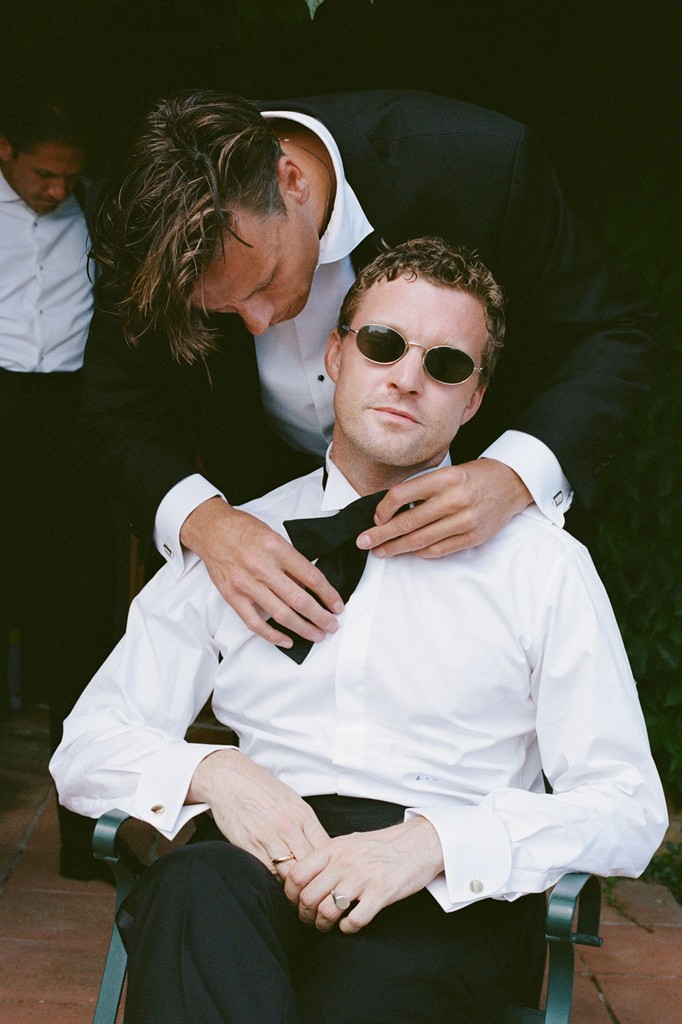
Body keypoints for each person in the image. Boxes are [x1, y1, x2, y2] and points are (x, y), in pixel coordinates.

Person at [52, 239, 666, 1024]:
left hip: (443, 891)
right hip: (256, 857)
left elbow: (625, 804)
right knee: (191, 892)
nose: (408, 377)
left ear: (474, 401)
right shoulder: (240, 542)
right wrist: (216, 776)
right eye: (383, 345)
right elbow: (88, 745)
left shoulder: (543, 565)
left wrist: (431, 844)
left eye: (446, 365)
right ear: (336, 357)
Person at [81, 88, 658, 654]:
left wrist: (512, 476)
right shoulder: (149, 224)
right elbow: (120, 408)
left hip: (479, 534)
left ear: (292, 182)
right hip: (268, 546)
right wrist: (207, 523)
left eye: (262, 283)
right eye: (221, 310)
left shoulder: (477, 163)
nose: (256, 324)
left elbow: (612, 332)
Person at [0, 87, 118, 879]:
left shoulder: (95, 213)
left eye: (67, 176)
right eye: (43, 173)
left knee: (82, 623)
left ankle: (83, 840)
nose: (55, 189)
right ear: (3, 149)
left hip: (72, 421)